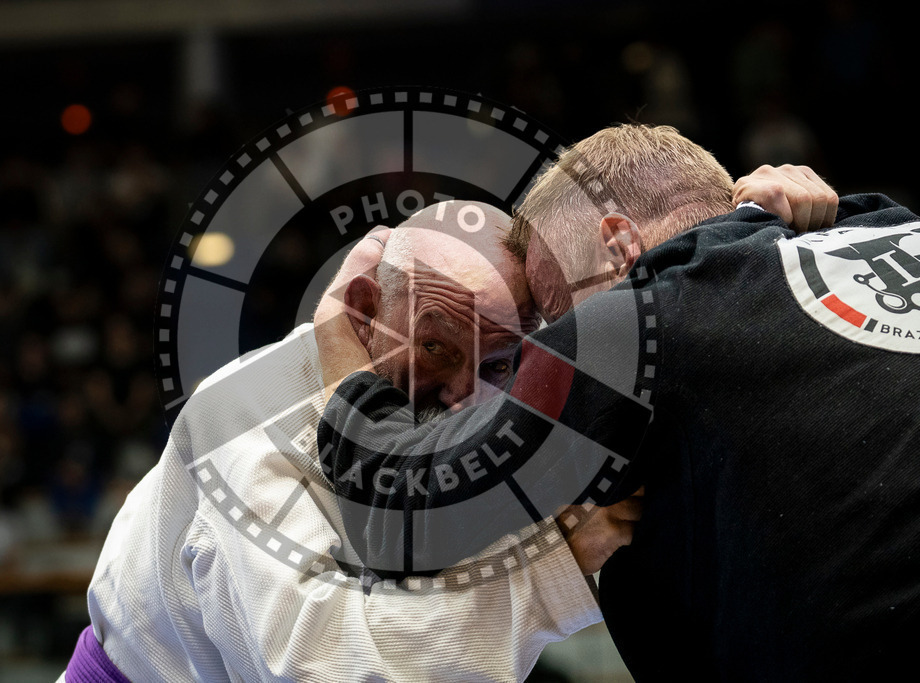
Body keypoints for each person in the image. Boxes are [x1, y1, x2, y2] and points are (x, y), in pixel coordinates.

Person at [315, 124, 918, 679]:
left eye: (558, 313)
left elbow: (395, 512)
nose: (556, 343)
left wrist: (341, 344)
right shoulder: (885, 224)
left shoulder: (638, 318)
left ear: (618, 245)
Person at [59, 201, 628, 683]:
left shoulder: (475, 416)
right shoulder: (247, 424)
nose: (463, 394)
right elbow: (322, 666)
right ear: (364, 309)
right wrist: (549, 568)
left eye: (498, 365)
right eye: (437, 348)